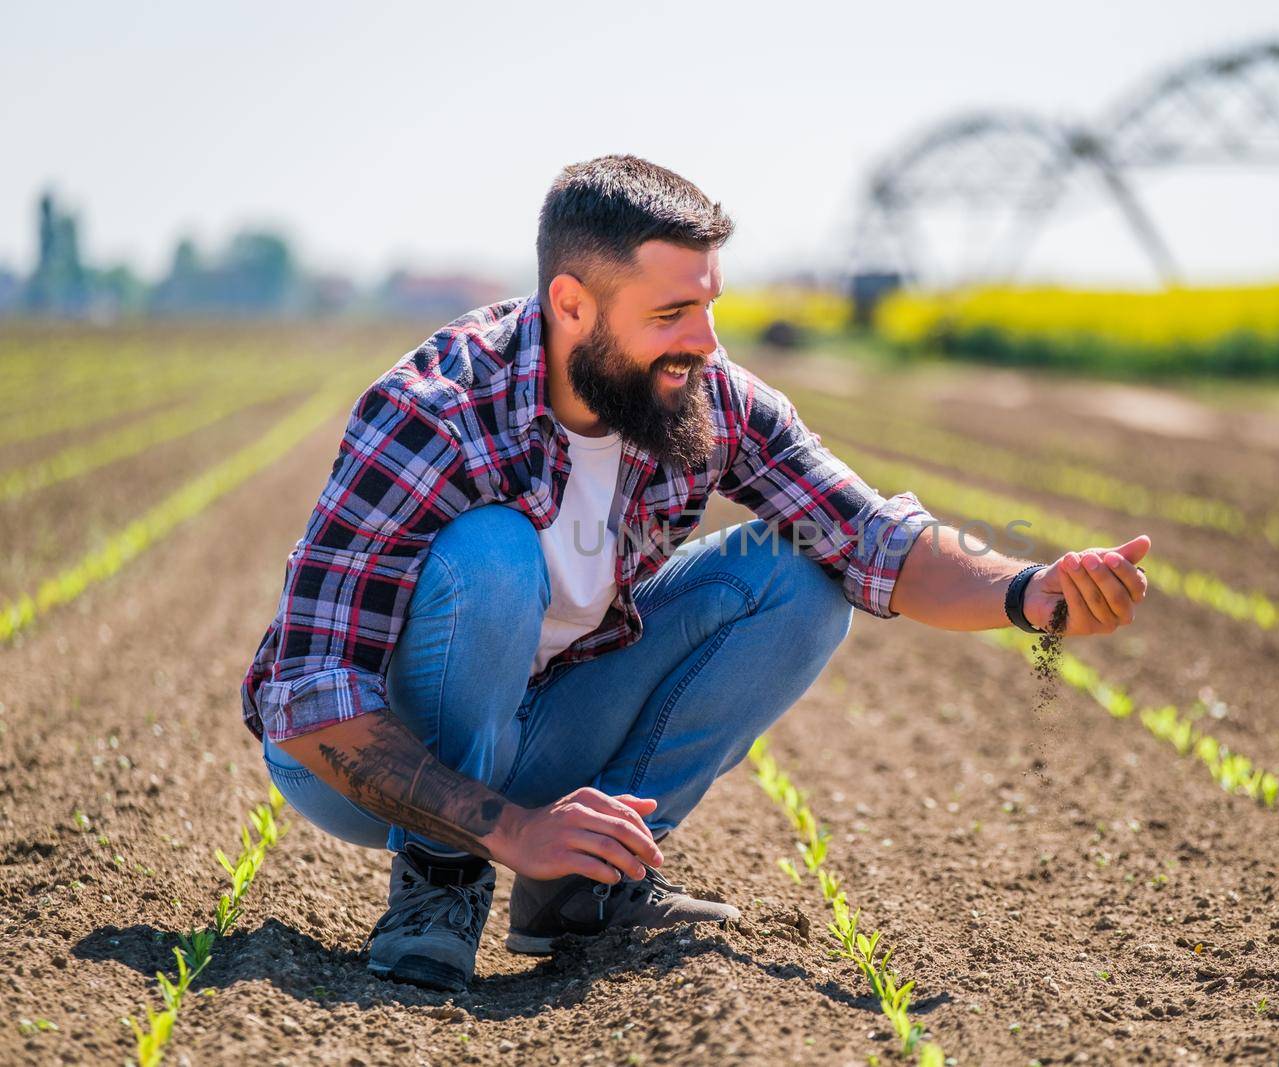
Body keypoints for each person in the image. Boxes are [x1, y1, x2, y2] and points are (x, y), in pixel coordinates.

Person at [240, 154, 1150, 993]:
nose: (706, 343)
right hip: (360, 757)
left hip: (537, 721)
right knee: (494, 554)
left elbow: (873, 538)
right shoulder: (435, 412)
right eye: (672, 314)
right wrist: (514, 828)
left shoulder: (708, 399)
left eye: (709, 306)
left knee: (798, 575)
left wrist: (1029, 593)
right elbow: (311, 697)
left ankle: (586, 887)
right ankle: (438, 884)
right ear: (571, 305)